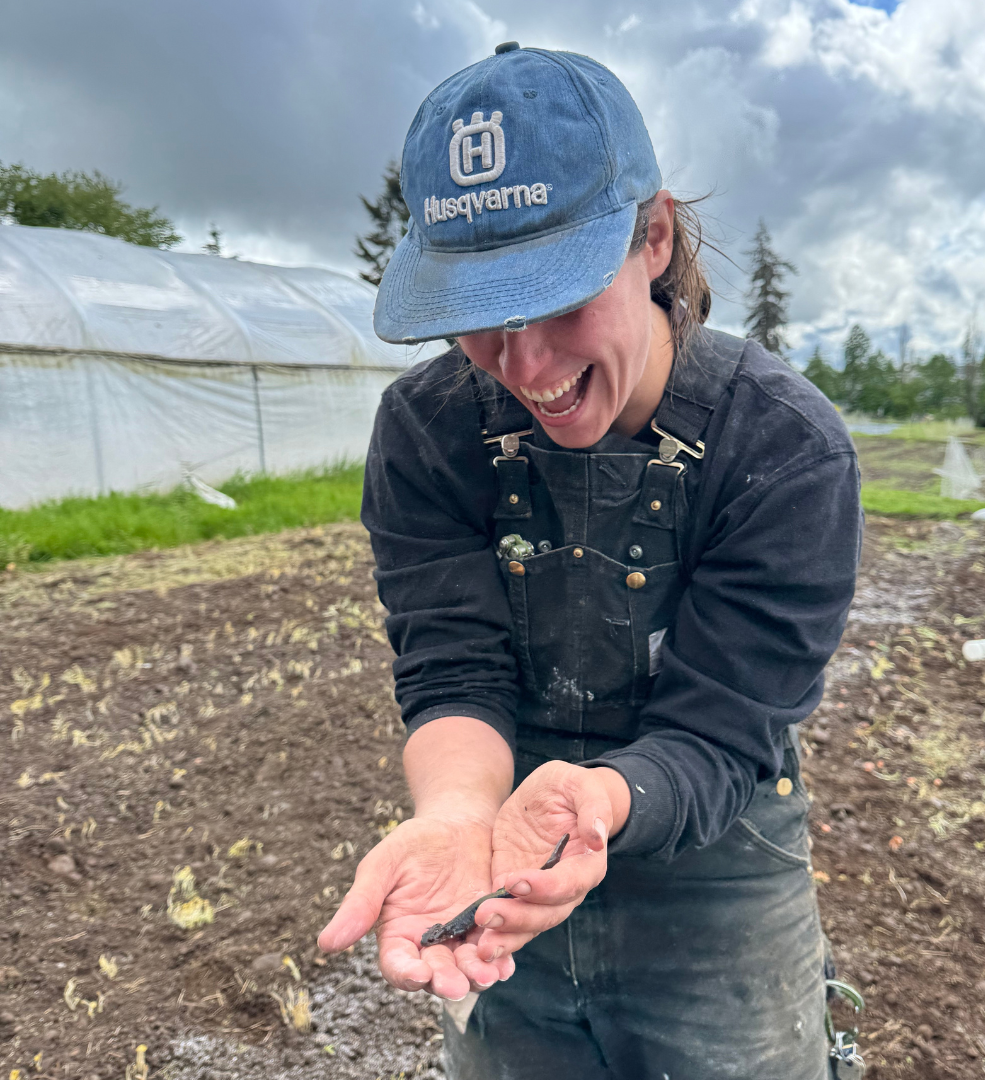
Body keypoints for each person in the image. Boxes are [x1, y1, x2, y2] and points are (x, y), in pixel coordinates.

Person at [319, 42, 862, 1080]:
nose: (525, 367)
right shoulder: (427, 433)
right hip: (505, 856)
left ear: (651, 238)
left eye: (560, 299)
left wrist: (604, 801)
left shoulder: (782, 449)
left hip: (715, 861)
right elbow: (454, 669)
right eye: (480, 318)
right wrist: (456, 815)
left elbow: (723, 724)